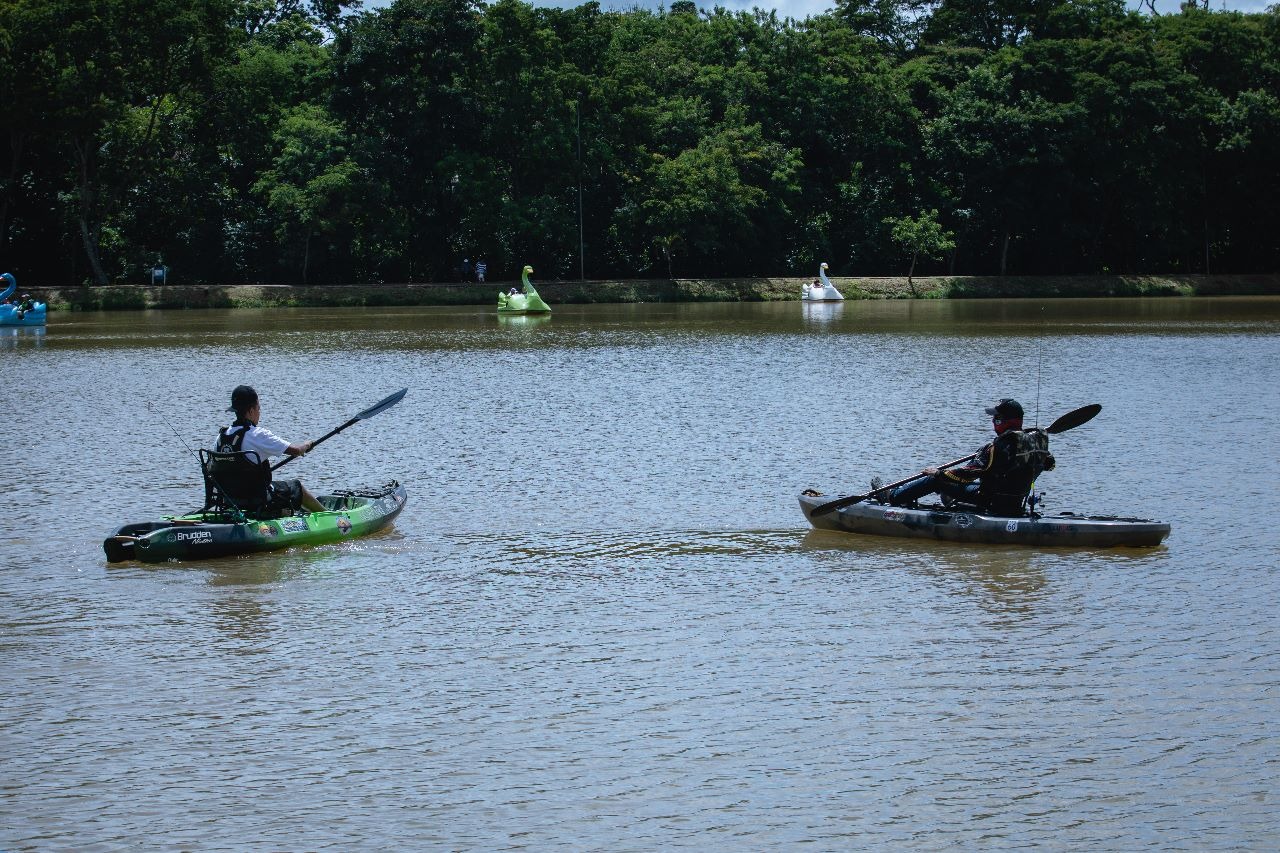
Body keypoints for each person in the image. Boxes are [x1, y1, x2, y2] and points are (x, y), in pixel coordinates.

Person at [887, 399, 1055, 516]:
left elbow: (968, 473)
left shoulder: (998, 447)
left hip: (989, 501)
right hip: (1015, 503)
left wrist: (939, 473)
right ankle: (951, 500)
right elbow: (1050, 465)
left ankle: (893, 496)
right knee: (969, 483)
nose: (993, 421)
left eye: (996, 418)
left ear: (1003, 421)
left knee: (935, 481)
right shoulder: (1038, 446)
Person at [216, 385, 324, 514]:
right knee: (296, 487)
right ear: (251, 411)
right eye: (258, 409)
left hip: (230, 500)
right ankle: (329, 516)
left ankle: (285, 514)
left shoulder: (221, 437)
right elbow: (296, 450)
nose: (259, 413)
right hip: (257, 499)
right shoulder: (257, 434)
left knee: (279, 491)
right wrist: (307, 444)